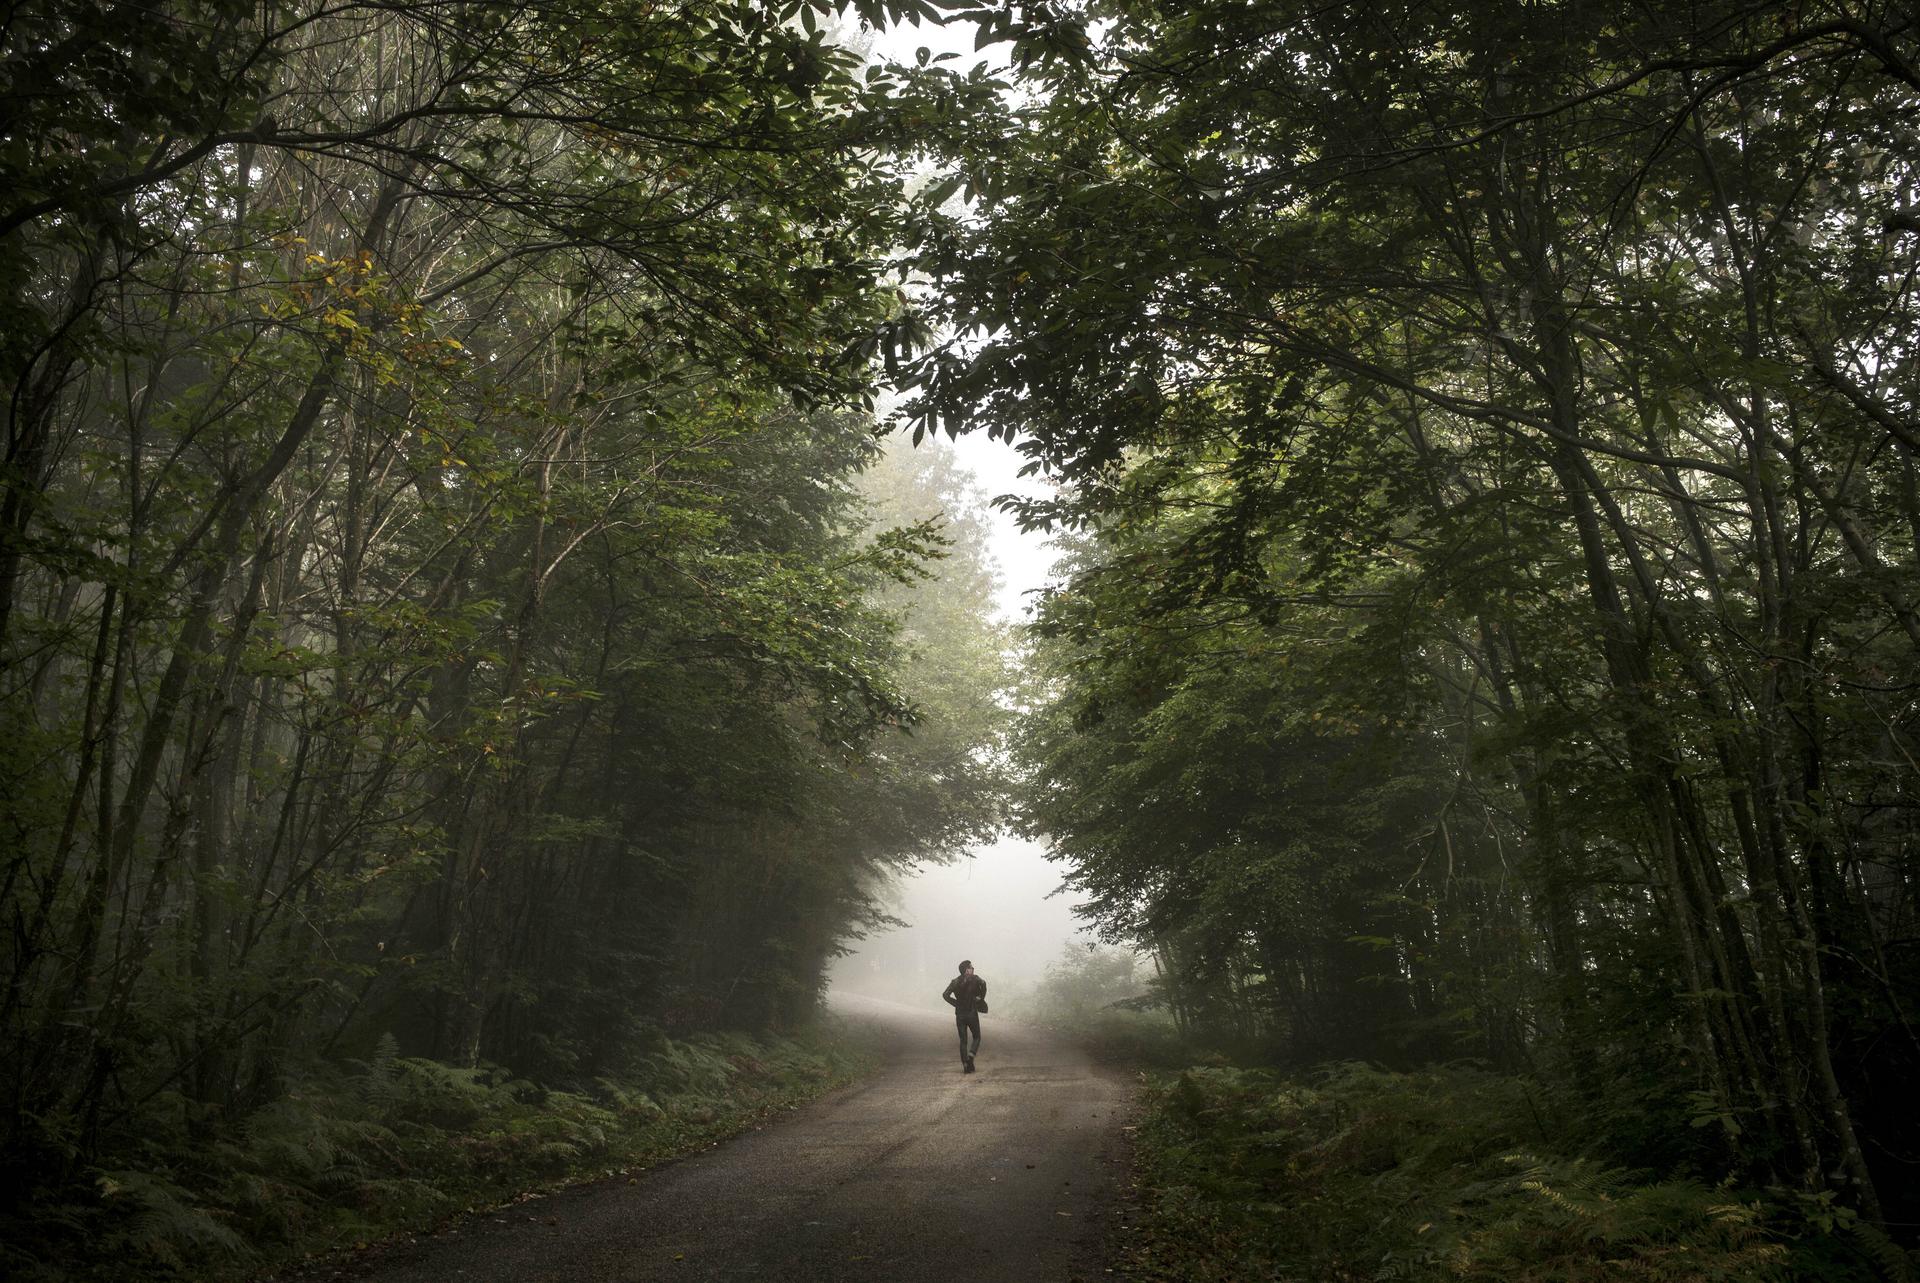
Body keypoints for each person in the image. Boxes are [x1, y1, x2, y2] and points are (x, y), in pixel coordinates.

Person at [942, 959, 987, 1072]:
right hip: (972, 1013)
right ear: (966, 970)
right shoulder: (976, 979)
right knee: (977, 1037)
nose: (973, 969)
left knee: (963, 1040)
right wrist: (981, 998)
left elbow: (945, 994)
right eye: (971, 967)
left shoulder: (955, 981)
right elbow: (984, 984)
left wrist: (956, 1003)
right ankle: (971, 1056)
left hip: (960, 1014)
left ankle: (965, 1065)